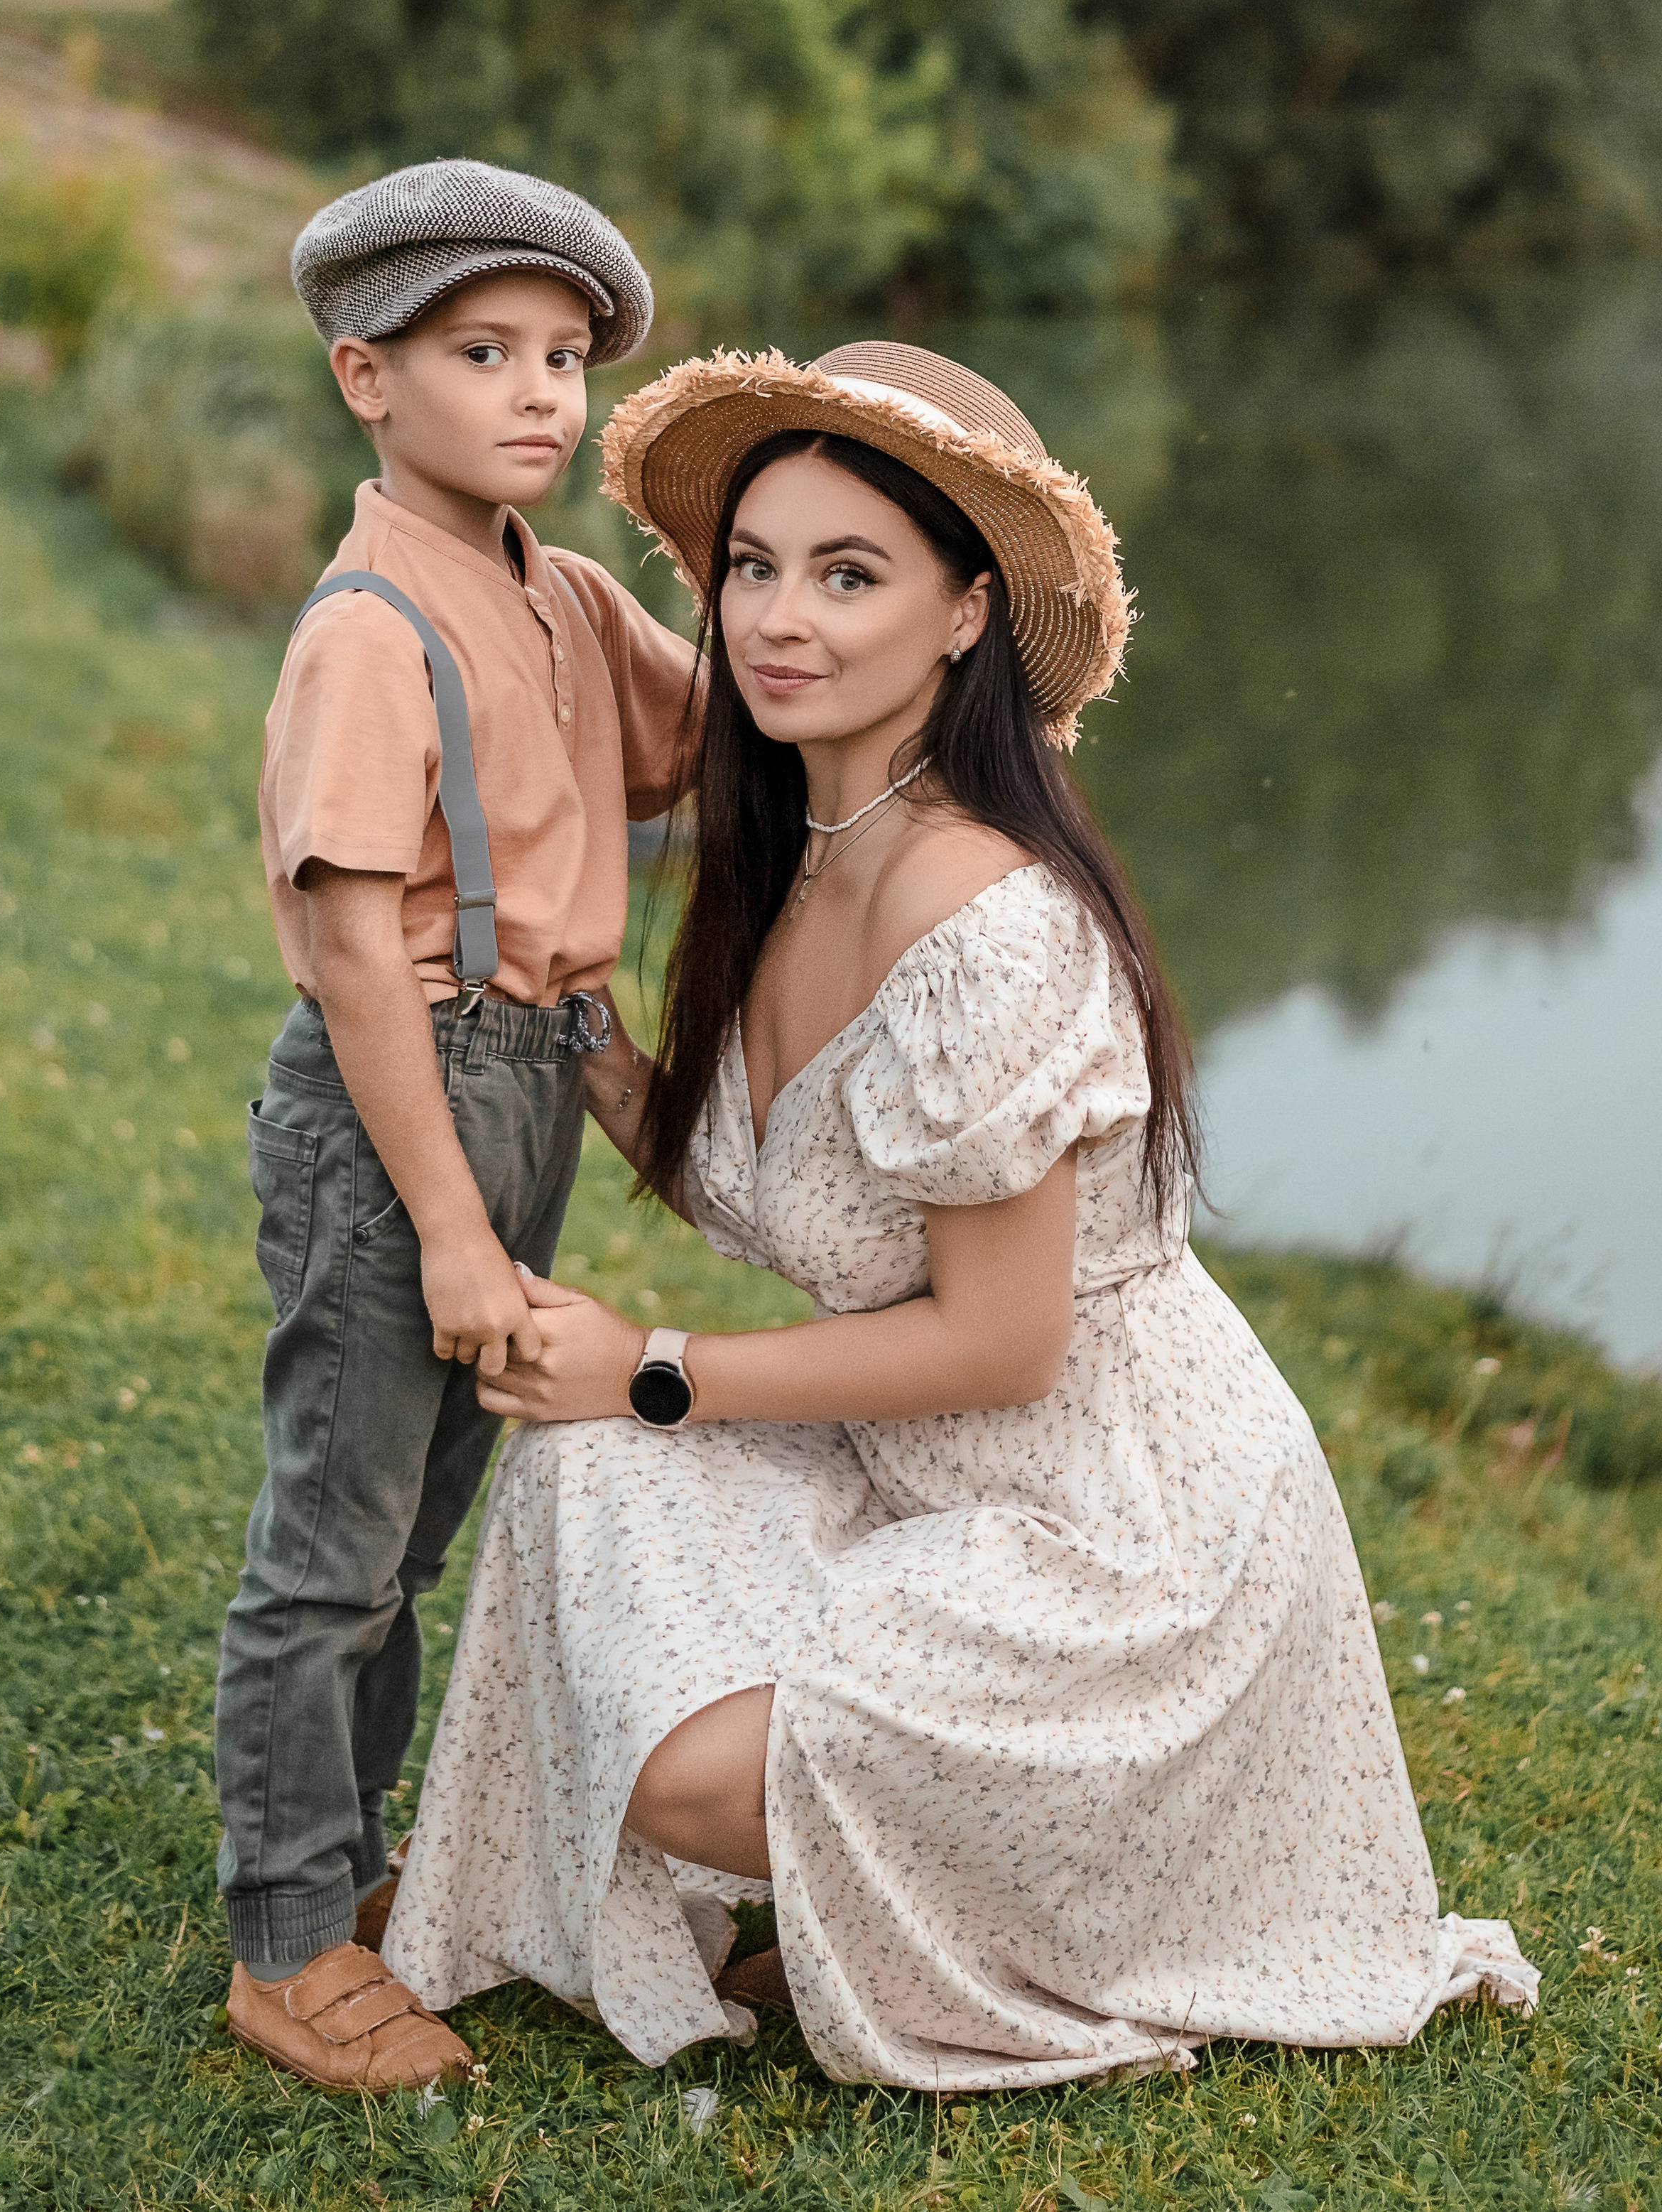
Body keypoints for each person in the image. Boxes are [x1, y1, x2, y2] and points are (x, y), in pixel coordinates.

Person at [381, 340, 1538, 2090]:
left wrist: (655, 1364)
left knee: (691, 1729)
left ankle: (1024, 1895)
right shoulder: (805, 841)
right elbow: (824, 1196)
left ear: (961, 614)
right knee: (583, 1474)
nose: (779, 619)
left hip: (1122, 1539)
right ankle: (885, 1863)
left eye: (849, 576)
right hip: (913, 1471)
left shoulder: (982, 919)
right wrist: (597, 1057)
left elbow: (1001, 1339)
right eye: (754, 567)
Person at [216, 160, 700, 2091]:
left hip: (531, 1083)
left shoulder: (566, 596)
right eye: (483, 351)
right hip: (392, 1103)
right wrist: (439, 1219)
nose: (540, 395)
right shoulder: (365, 626)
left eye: (567, 358)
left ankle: (349, 1865)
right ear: (365, 375)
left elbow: (721, 738)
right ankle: (282, 1935)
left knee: (414, 1521)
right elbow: (353, 940)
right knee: (331, 1538)